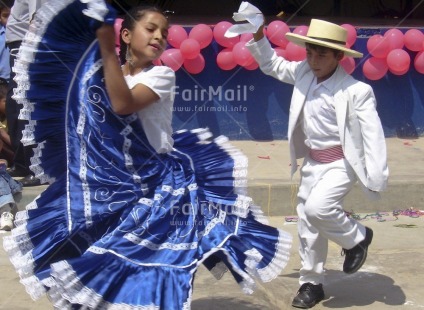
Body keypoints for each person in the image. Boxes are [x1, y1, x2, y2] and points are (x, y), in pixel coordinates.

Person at [3, 2, 292, 309]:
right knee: (100, 259)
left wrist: (103, 48)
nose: (159, 38)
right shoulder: (103, 74)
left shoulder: (162, 75)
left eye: (164, 33)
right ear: (126, 35)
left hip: (159, 189)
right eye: (151, 29)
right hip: (114, 184)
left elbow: (122, 104)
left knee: (160, 265)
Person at [246, 18, 389, 308]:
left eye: (322, 54)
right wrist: (259, 34)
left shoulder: (355, 91)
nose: (314, 59)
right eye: (310, 52)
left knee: (318, 208)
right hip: (312, 163)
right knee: (308, 223)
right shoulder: (303, 73)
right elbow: (273, 64)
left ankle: (357, 237)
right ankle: (311, 283)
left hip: (341, 164)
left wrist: (377, 176)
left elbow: (373, 135)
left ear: (339, 57)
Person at [5, 0, 48, 187]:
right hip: (17, 45)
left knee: (28, 106)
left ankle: (38, 168)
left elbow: (38, 18)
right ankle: (22, 162)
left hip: (29, 46)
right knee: (15, 107)